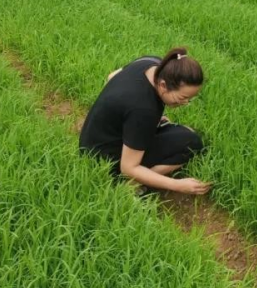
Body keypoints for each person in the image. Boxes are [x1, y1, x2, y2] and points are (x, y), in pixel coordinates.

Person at [79, 47, 212, 196]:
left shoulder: (151, 63)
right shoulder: (144, 110)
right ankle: (129, 186)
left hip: (91, 139)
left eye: (190, 98)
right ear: (163, 85)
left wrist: (126, 118)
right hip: (103, 159)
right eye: (182, 98)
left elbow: (112, 76)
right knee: (191, 143)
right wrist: (177, 185)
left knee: (188, 133)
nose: (186, 103)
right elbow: (128, 168)